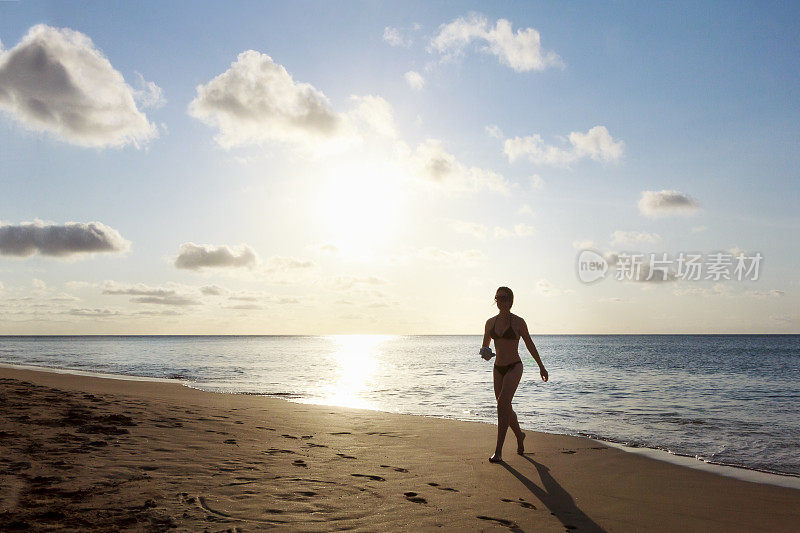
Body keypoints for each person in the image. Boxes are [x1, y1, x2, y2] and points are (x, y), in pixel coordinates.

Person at [481, 286, 548, 463]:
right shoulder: (490, 323)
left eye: (504, 298)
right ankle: (520, 435)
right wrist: (486, 353)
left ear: (511, 301)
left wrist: (541, 366)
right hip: (498, 368)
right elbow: (485, 349)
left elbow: (530, 345)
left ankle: (498, 452)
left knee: (502, 403)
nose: (500, 301)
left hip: (514, 366)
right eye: (498, 298)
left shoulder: (518, 322)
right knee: (505, 407)